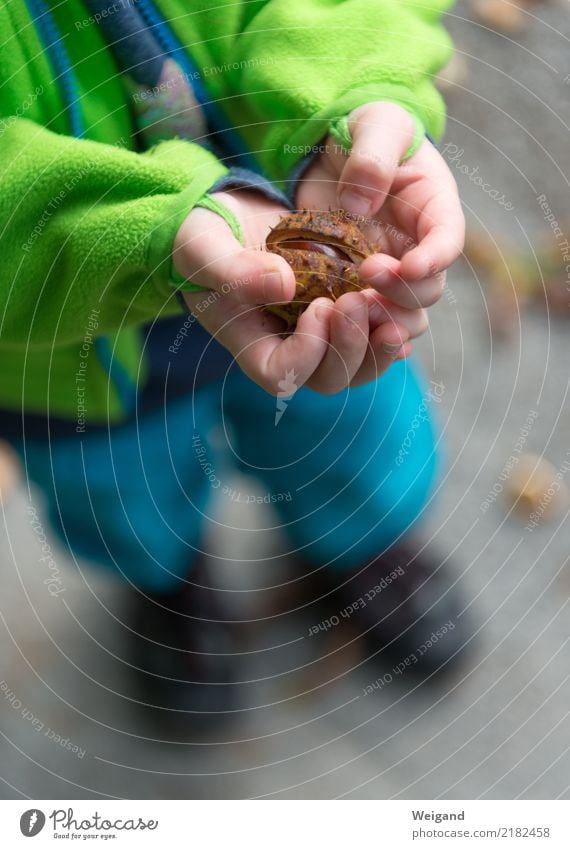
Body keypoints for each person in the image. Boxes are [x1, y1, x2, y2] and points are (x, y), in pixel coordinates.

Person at [0, 0, 468, 725]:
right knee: (126, 498)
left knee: (351, 437)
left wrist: (358, 95)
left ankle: (368, 547)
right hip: (58, 355)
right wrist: (154, 224)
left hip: (279, 229)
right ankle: (172, 585)